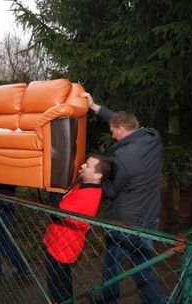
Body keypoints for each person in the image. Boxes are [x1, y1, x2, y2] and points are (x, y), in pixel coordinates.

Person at [82, 92, 165, 304]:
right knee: (143, 271)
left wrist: (97, 179)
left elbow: (111, 191)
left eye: (113, 132)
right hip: (149, 217)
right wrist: (95, 107)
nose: (112, 135)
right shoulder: (152, 138)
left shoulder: (122, 159)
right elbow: (118, 119)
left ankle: (109, 301)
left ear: (121, 130)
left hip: (124, 223)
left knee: (112, 267)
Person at [43, 155, 111, 304]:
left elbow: (56, 213)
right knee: (59, 281)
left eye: (87, 165)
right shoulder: (84, 185)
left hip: (63, 246)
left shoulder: (88, 195)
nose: (82, 166)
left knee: (58, 285)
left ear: (97, 175)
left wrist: (53, 190)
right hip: (57, 240)